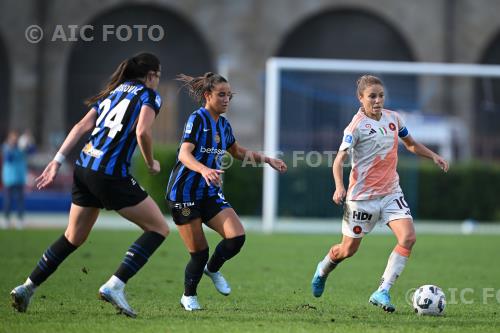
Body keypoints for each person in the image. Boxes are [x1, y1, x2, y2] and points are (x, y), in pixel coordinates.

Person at [10, 52, 169, 318]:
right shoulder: (149, 96)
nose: (158, 82)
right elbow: (142, 131)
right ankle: (115, 285)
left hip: (84, 168)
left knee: (74, 236)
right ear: (151, 75)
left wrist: (57, 161)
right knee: (159, 228)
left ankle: (27, 287)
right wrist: (151, 162)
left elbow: (82, 125)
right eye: (159, 76)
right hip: (110, 174)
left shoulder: (115, 91)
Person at [311, 75, 449, 312]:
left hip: (391, 193)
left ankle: (382, 291)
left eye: (381, 95)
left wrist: (433, 155)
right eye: (372, 96)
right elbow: (338, 161)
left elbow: (411, 144)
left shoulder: (393, 118)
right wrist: (339, 186)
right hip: (361, 199)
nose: (377, 100)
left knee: (408, 238)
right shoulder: (355, 126)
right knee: (347, 250)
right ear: (361, 98)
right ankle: (323, 269)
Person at [167, 72, 287, 311]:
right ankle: (188, 296)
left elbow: (237, 152)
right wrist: (203, 169)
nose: (226, 100)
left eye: (229, 95)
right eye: (221, 95)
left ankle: (212, 270)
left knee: (236, 237)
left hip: (208, 192)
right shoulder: (197, 119)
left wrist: (266, 159)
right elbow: (184, 154)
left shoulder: (223, 124)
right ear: (207, 95)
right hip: (185, 193)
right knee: (199, 252)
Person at [2, 130, 35, 229]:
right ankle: (6, 219)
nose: (15, 140)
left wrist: (29, 141)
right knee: (8, 200)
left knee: (20, 201)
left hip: (20, 178)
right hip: (9, 178)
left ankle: (20, 220)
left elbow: (33, 151)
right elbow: (9, 158)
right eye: (13, 138)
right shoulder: (6, 147)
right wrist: (13, 147)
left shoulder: (22, 148)